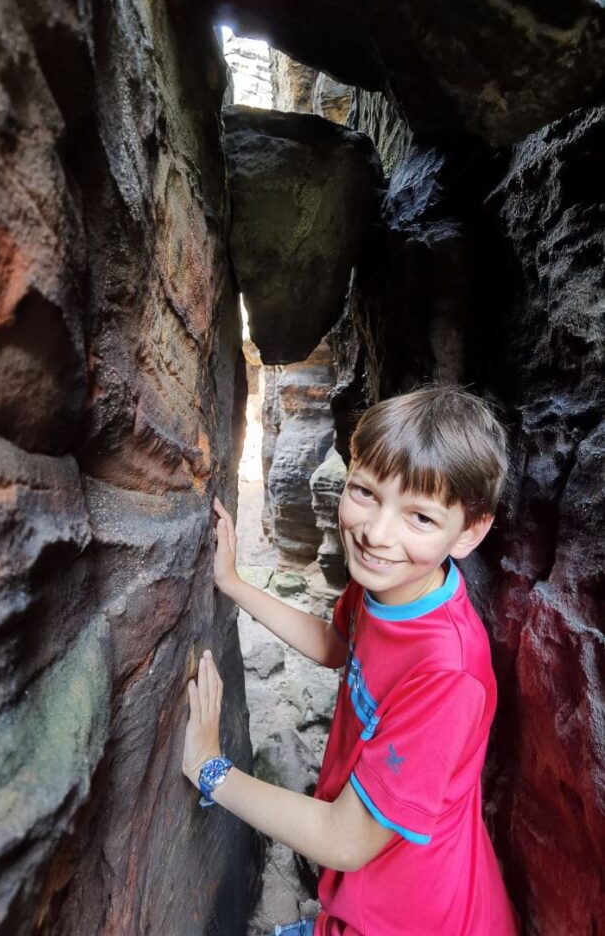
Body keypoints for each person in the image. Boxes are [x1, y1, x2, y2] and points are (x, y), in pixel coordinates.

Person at [183, 385, 520, 936]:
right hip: (382, 881)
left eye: (422, 518)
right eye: (365, 491)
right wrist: (233, 584)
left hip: (414, 914)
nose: (376, 533)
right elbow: (336, 647)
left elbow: (344, 840)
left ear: (471, 531)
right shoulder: (387, 586)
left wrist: (209, 768)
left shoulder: (448, 674)